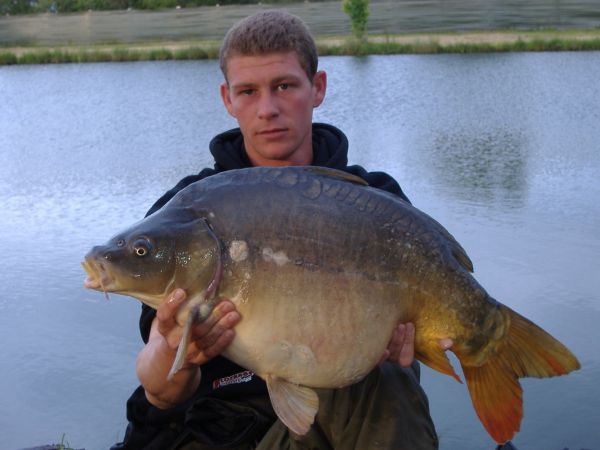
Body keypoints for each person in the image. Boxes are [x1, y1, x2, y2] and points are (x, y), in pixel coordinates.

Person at [112, 10, 439, 450]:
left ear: (317, 88)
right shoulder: (188, 213)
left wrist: (404, 348)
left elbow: (411, 336)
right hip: (217, 433)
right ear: (228, 99)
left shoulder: (375, 202)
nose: (267, 109)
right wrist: (179, 356)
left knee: (388, 378)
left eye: (284, 86)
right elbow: (160, 389)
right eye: (248, 91)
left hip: (335, 412)